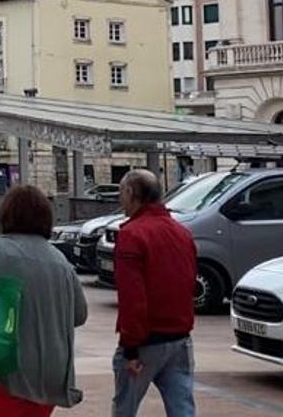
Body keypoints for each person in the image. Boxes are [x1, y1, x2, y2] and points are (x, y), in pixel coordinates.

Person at [0, 184, 87, 417]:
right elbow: (79, 314)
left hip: (4, 366)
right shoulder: (60, 261)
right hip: (51, 371)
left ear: (6, 215)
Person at [112, 169, 197, 417]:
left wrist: (130, 347)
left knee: (125, 408)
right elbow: (188, 282)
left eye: (121, 193)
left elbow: (132, 297)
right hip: (179, 337)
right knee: (182, 407)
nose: (120, 201)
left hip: (146, 341)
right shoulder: (182, 233)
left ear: (131, 193)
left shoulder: (132, 235)